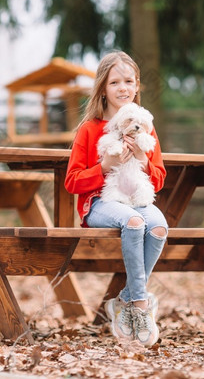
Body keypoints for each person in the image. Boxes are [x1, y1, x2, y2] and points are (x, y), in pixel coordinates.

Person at [64, 51, 167, 346]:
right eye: (115, 82)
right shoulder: (90, 129)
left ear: (137, 86)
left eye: (129, 81)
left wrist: (142, 159)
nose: (123, 88)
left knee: (158, 227)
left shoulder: (144, 126)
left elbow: (159, 177)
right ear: (103, 89)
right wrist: (104, 167)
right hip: (99, 203)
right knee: (134, 223)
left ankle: (124, 300)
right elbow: (72, 182)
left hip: (138, 198)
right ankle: (141, 306)